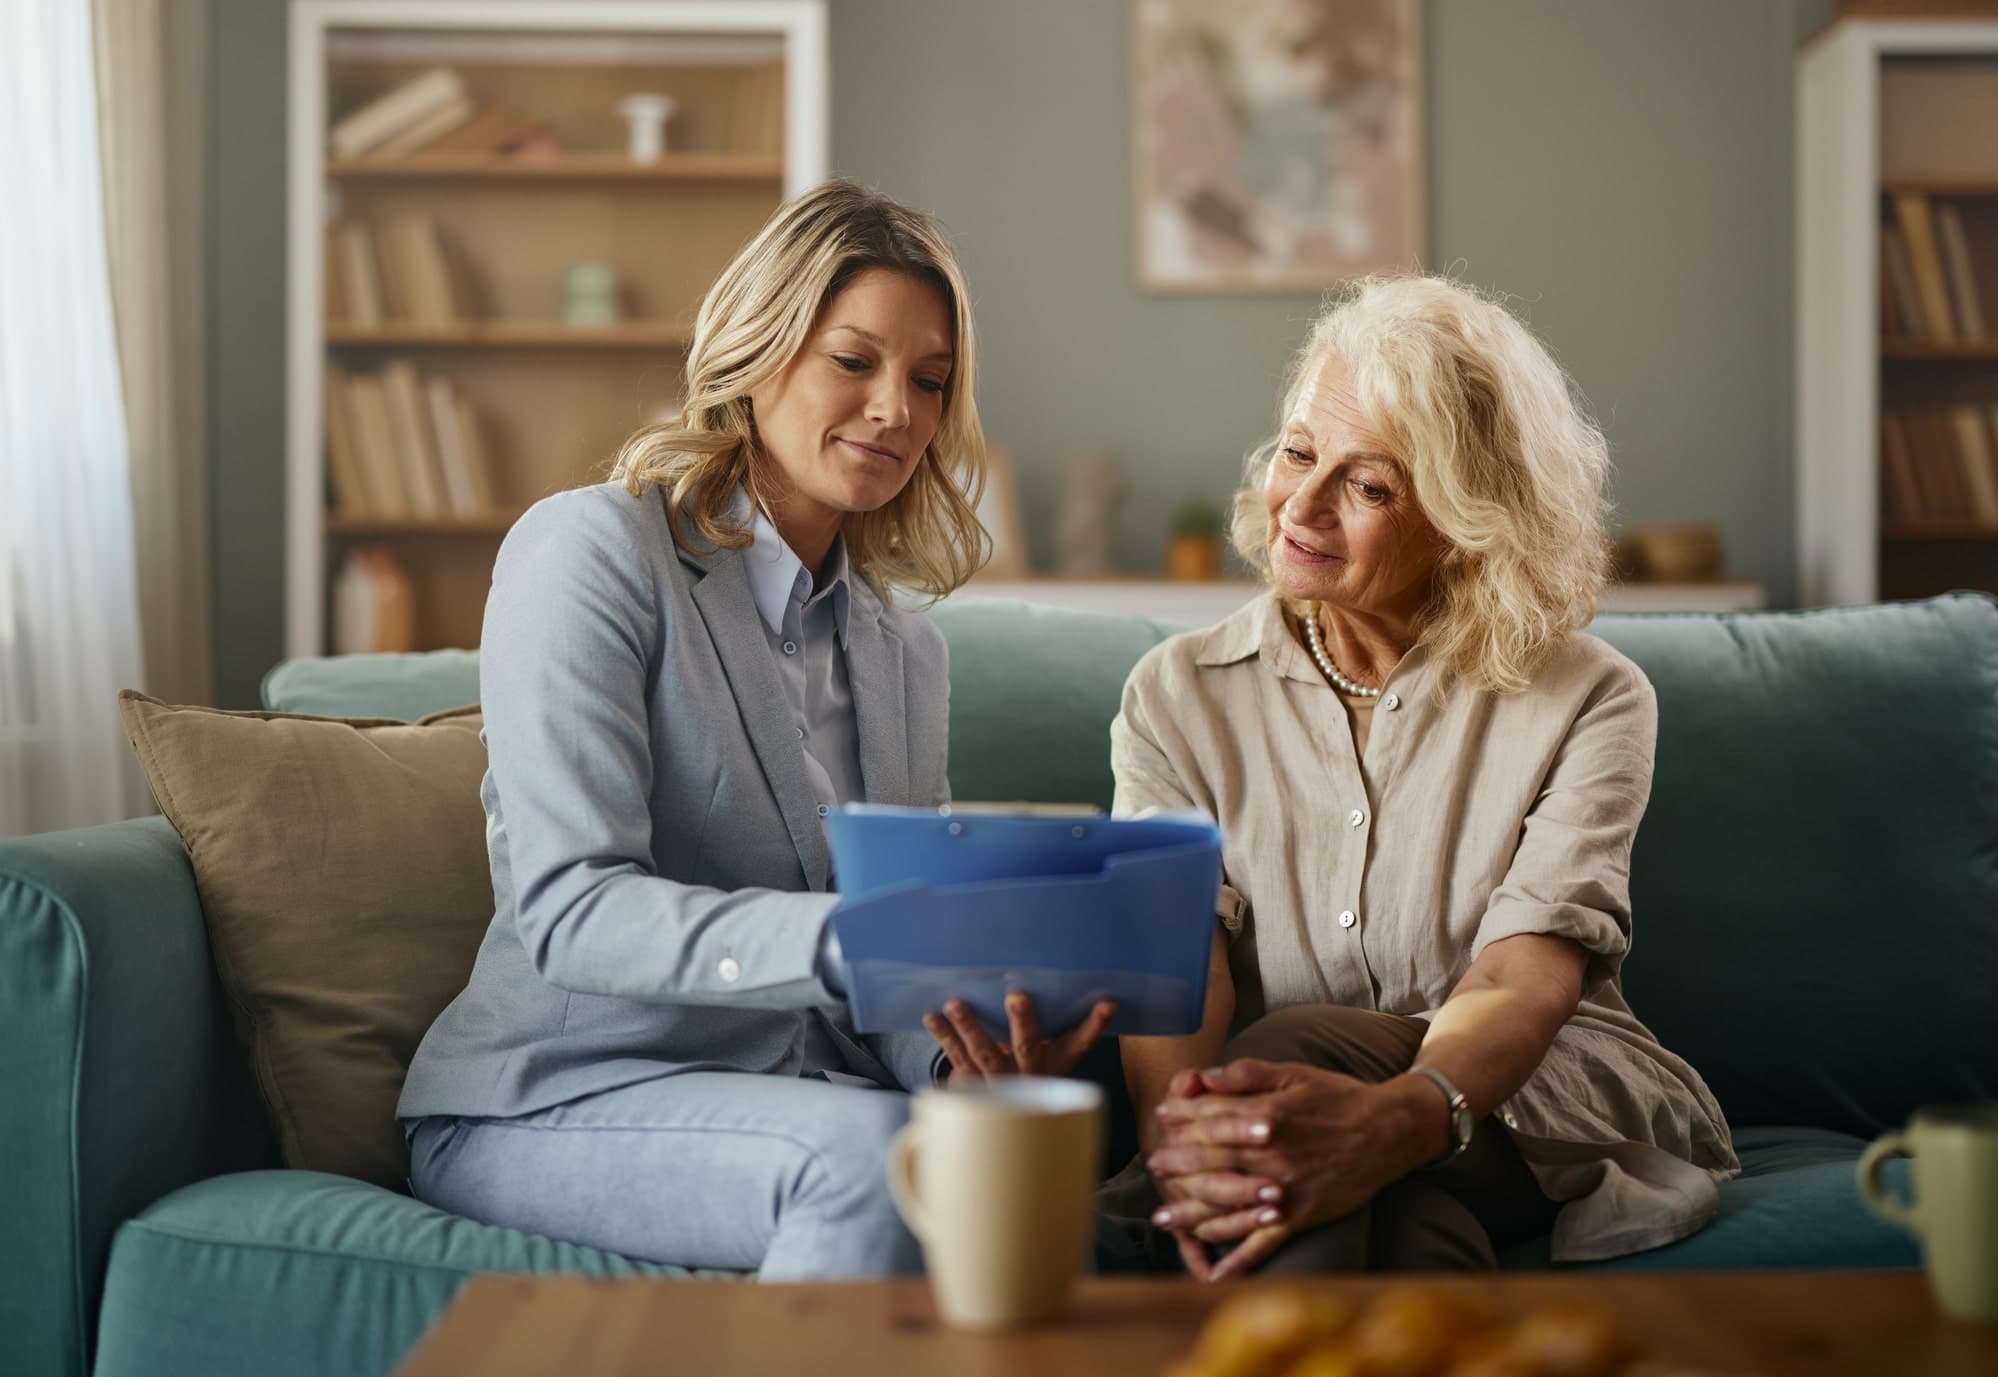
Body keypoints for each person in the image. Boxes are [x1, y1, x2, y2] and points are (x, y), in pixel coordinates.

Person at [398, 181, 1110, 1282]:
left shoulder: (904, 653)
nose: (895, 411)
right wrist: (844, 939)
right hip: (561, 1094)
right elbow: (570, 908)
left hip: (801, 1096)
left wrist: (953, 1059)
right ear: (759, 348)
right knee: (874, 1160)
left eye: (929, 383)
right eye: (852, 361)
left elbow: (889, 981)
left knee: (1026, 1157)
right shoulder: (593, 553)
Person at [1109, 273, 1739, 1282]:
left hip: (1530, 1105)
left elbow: (1517, 977)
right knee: (1401, 1227)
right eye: (1297, 452)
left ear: (1466, 520)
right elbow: (1175, 968)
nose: (1301, 506)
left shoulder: (1588, 699)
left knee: (1298, 1047)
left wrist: (1375, 1120)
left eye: (1367, 486)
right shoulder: (1176, 696)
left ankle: (1119, 1235)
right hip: (1289, 1119)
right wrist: (1188, 1158)